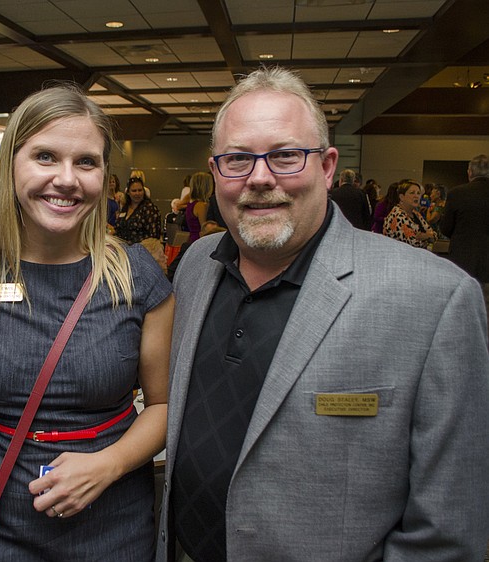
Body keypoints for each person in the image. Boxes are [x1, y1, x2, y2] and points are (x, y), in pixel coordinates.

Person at [157, 66, 489, 562]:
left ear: (328, 167)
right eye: (237, 159)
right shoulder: (194, 270)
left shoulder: (435, 299)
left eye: (286, 156)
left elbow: (448, 529)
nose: (260, 178)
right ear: (215, 172)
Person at [0, 84, 173, 561]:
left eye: (86, 162)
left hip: (111, 527)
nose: (67, 179)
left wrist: (108, 464)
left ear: (104, 174)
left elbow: (163, 405)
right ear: (11, 164)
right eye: (44, 157)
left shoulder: (134, 273)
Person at [440, 154, 489, 320]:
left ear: (470, 172)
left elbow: (446, 228)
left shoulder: (456, 193)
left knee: (463, 314)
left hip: (463, 262)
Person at [383, 179, 437, 249]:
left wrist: (425, 236)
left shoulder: (415, 213)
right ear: (402, 197)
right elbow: (414, 244)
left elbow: (434, 235)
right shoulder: (397, 215)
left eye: (418, 193)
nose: (416, 196)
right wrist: (428, 236)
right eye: (412, 193)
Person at [115, 176, 162, 244]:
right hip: (122, 248)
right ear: (128, 192)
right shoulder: (125, 208)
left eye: (140, 190)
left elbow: (153, 236)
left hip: (142, 250)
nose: (137, 193)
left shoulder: (150, 208)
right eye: (134, 191)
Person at [184, 172, 211, 243]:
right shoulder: (201, 206)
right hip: (199, 241)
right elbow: (204, 228)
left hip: (193, 239)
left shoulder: (191, 204)